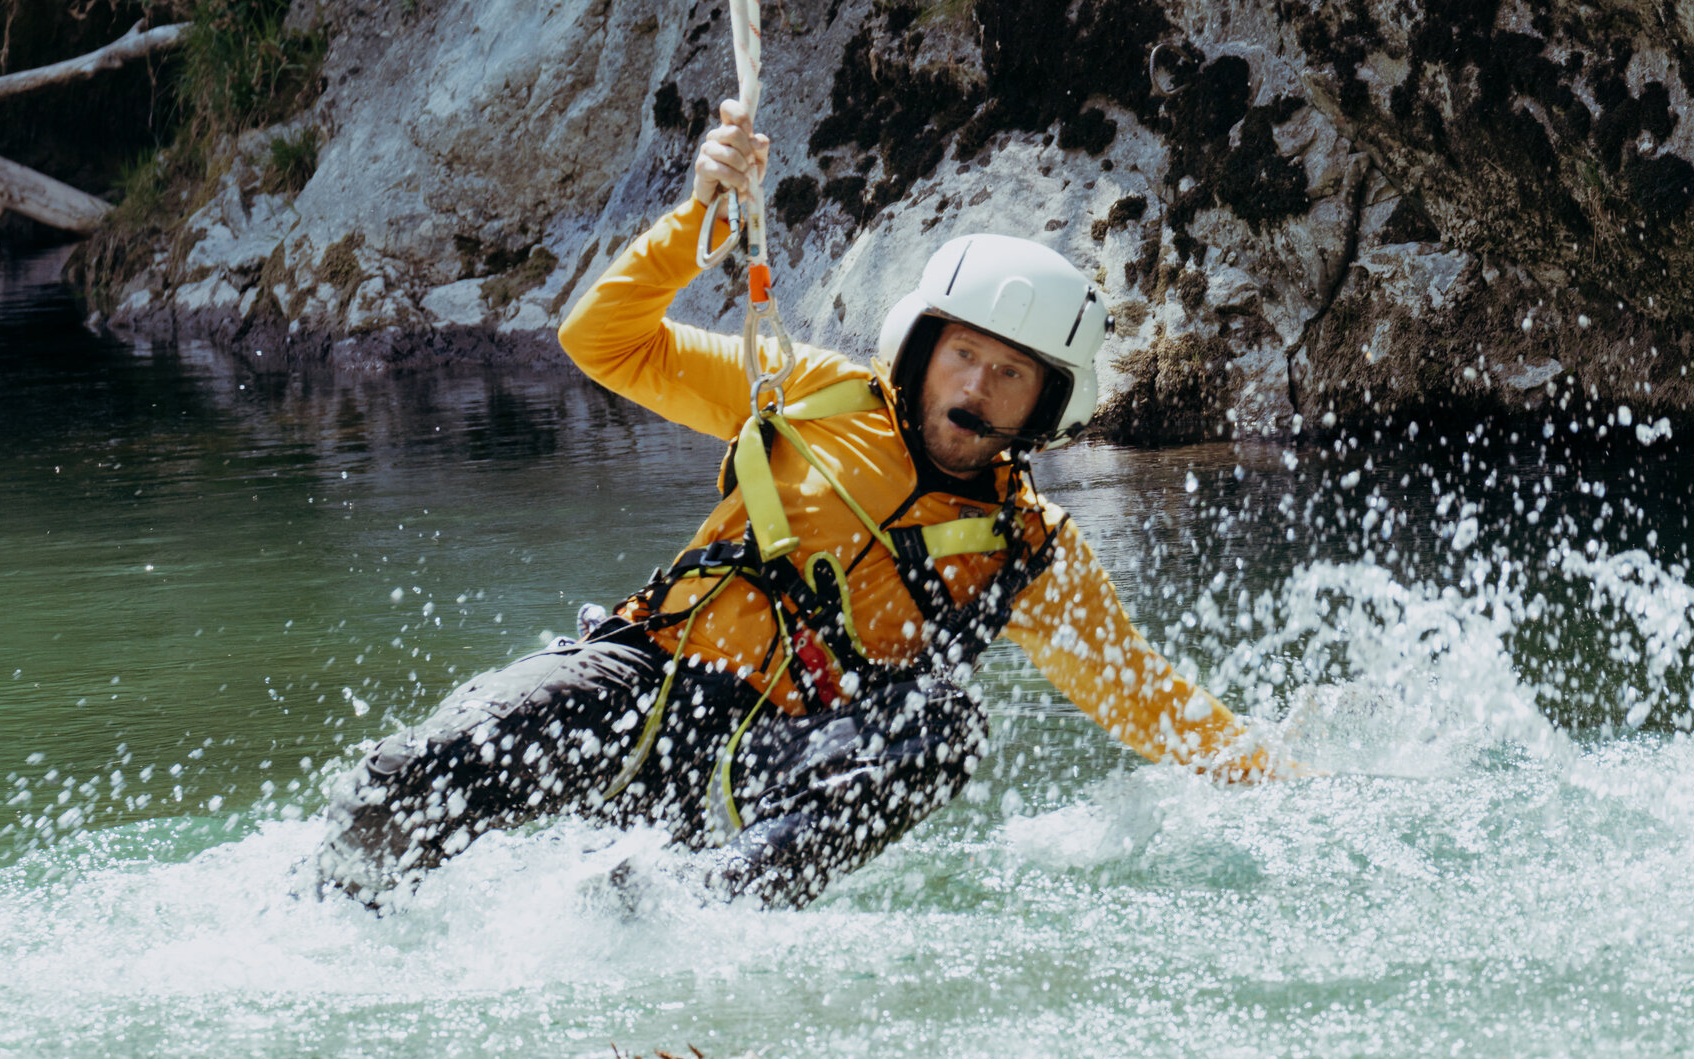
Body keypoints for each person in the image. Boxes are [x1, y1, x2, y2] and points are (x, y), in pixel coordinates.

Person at [313, 102, 1291, 910]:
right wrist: (701, 214)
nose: (976, 389)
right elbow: (603, 343)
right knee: (415, 773)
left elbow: (1145, 699)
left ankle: (714, 909)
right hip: (644, 679)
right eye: (963, 355)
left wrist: (1279, 783)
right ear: (918, 350)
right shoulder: (809, 392)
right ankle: (325, 922)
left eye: (1009, 374)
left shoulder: (1030, 549)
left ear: (1046, 404)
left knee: (944, 727)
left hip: (785, 761)